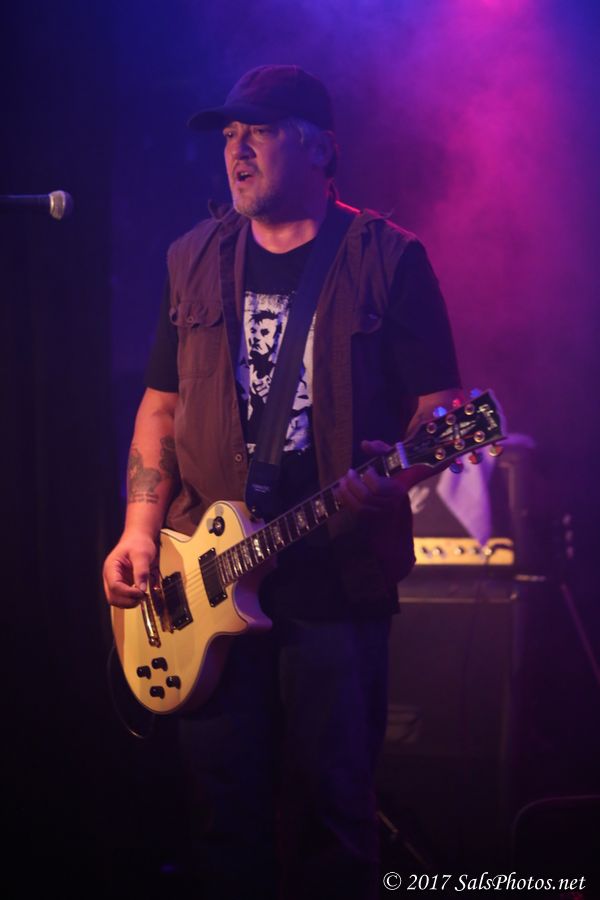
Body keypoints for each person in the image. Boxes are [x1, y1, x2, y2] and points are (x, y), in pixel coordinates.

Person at [103, 64, 461, 900]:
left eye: (258, 132)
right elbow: (160, 408)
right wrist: (139, 530)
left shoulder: (388, 258)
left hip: (332, 579)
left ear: (319, 148)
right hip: (204, 578)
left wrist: (399, 476)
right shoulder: (192, 258)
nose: (236, 151)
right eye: (229, 136)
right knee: (223, 827)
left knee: (334, 824)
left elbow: (442, 411)